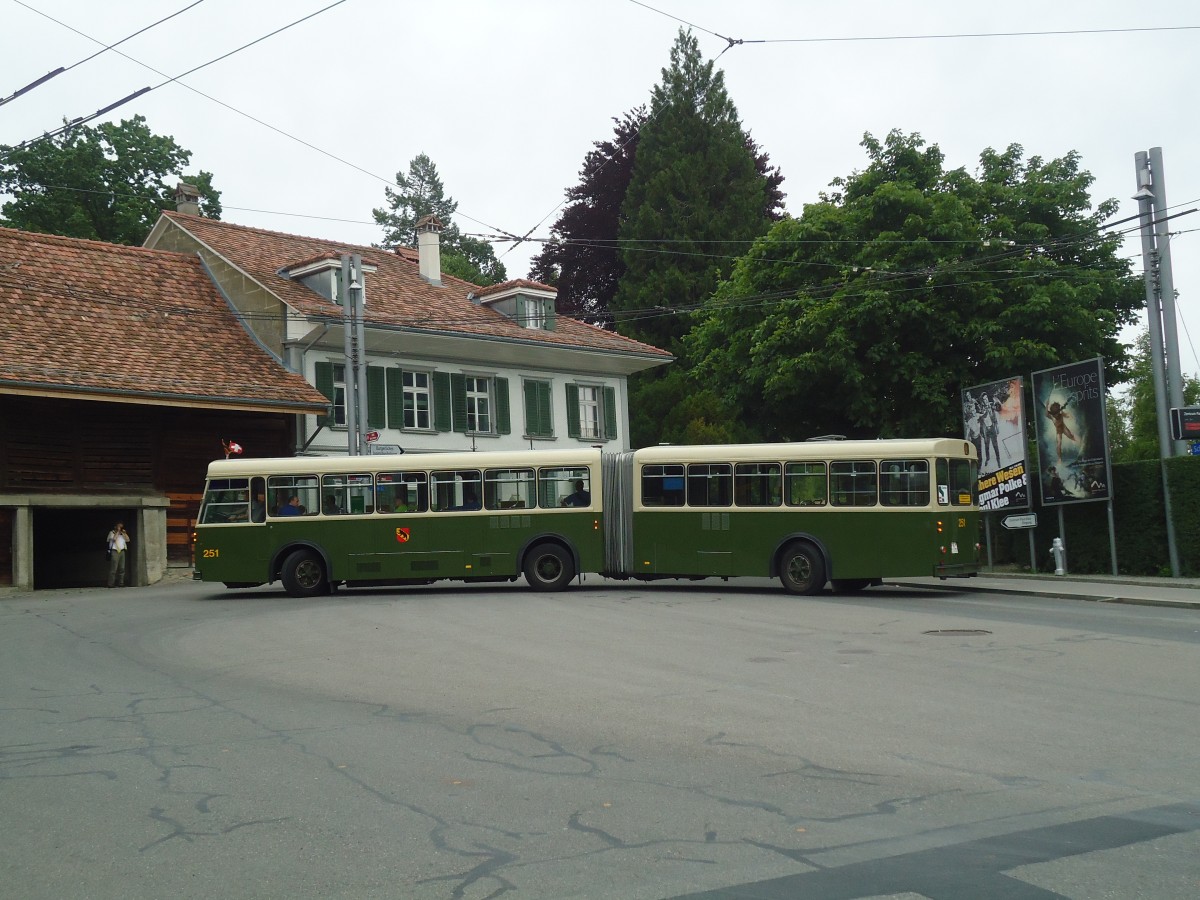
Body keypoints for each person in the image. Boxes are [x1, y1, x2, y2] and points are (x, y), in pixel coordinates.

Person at [106, 521, 131, 588]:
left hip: (122, 551)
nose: (120, 527)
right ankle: (111, 584)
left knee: (122, 568)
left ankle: (121, 583)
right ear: (116, 526)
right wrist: (117, 532)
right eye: (119, 526)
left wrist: (124, 533)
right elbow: (114, 539)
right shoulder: (112, 533)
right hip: (115, 551)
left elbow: (128, 540)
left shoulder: (123, 534)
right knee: (113, 568)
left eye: (121, 526)